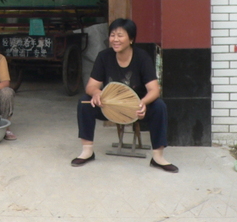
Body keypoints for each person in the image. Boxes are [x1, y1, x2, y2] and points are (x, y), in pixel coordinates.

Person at [72, 18, 177, 172]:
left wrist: (143, 103)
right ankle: (87, 151)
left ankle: (158, 157)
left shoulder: (142, 58)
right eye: (112, 35)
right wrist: (96, 93)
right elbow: (91, 86)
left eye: (120, 35)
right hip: (110, 107)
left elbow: (154, 90)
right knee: (84, 102)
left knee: (159, 106)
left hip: (137, 108)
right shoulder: (104, 56)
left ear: (131, 39)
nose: (115, 39)